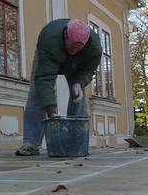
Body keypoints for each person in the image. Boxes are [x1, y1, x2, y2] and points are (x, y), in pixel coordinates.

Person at [15, 18, 102, 156]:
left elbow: (88, 70)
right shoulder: (49, 39)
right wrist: (51, 111)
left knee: (78, 95)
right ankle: (31, 143)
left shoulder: (94, 48)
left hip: (77, 64)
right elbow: (44, 79)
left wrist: (80, 82)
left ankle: (76, 141)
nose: (74, 50)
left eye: (79, 48)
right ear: (66, 35)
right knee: (37, 93)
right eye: (72, 46)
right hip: (50, 56)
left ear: (86, 44)